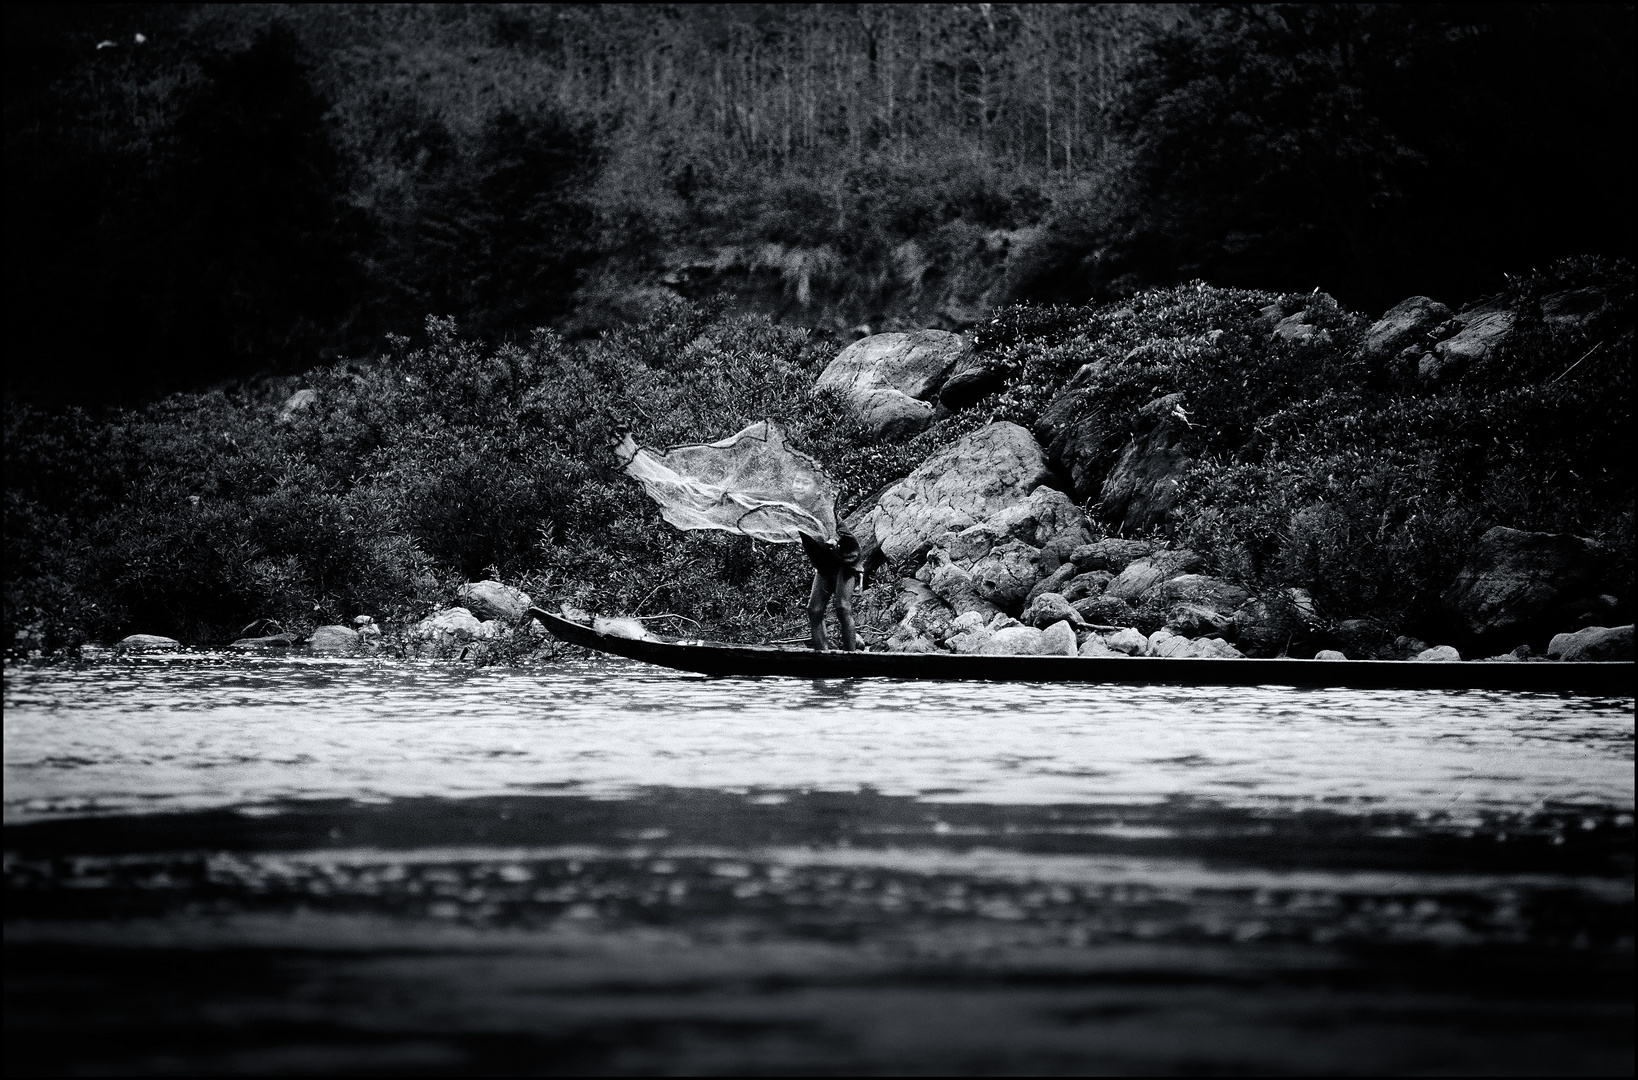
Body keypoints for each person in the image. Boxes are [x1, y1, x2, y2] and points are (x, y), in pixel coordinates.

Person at [799, 521, 863, 652]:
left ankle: (850, 657)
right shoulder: (799, 516)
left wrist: (834, 540)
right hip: (825, 564)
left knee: (843, 607)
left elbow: (837, 529)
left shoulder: (822, 507)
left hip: (846, 560)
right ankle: (823, 656)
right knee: (814, 610)